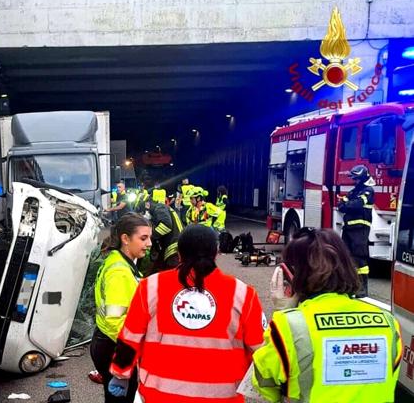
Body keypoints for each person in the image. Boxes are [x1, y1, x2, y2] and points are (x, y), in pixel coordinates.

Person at [108, 225, 266, 402]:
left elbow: (130, 338)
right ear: (216, 253)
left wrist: (120, 374)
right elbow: (260, 349)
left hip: (159, 395)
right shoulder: (243, 294)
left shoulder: (150, 287)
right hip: (222, 396)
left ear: (180, 254)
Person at [252, 228, 402, 402]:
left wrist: (283, 311)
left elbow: (264, 382)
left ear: (292, 276)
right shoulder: (388, 323)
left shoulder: (288, 326)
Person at [91, 213, 152, 403]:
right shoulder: (120, 272)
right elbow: (115, 320)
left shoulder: (116, 260)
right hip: (115, 347)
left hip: (106, 342)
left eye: (149, 237)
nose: (149, 243)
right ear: (125, 239)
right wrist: (135, 350)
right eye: (143, 238)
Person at [338, 165, 375, 297]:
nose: (355, 181)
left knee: (360, 259)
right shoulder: (354, 191)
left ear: (362, 177)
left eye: (356, 178)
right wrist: (346, 204)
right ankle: (349, 285)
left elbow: (357, 204)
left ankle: (362, 288)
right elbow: (341, 205)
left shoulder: (368, 191)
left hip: (360, 230)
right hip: (348, 229)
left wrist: (346, 204)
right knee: (346, 257)